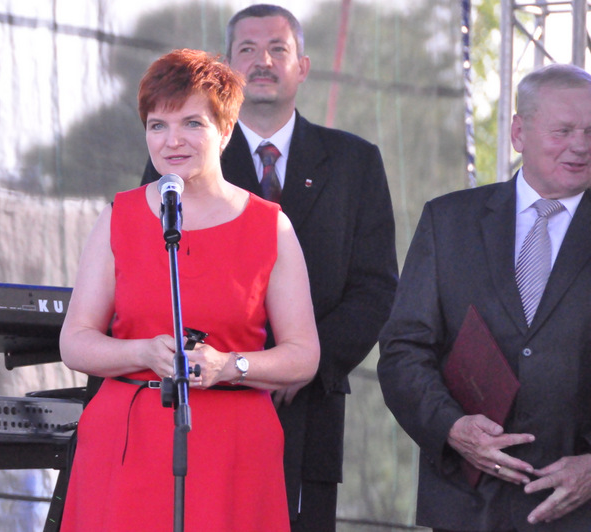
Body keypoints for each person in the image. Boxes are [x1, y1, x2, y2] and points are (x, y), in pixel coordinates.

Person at [141, 6, 398, 531]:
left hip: (309, 407)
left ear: (303, 67)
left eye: (278, 49)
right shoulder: (181, 154)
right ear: (226, 69)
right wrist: (222, 362)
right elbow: (156, 271)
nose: (263, 61)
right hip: (202, 403)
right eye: (247, 50)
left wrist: (299, 366)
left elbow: (375, 289)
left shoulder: (355, 162)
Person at [59, 48, 320, 532]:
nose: (172, 140)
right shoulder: (119, 216)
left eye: (192, 123)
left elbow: (304, 355)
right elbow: (74, 341)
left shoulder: (271, 226)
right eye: (157, 125)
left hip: (234, 447)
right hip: (128, 442)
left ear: (226, 129)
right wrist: (142, 352)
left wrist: (229, 366)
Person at [377, 62, 591, 531]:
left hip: (578, 509)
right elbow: (402, 351)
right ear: (518, 132)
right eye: (563, 131)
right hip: (466, 504)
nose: (580, 145)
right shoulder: (448, 221)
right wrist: (451, 428)